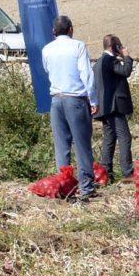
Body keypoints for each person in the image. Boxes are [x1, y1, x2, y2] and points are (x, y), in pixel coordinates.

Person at [42, 15, 98, 200]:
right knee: (82, 145)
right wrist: (94, 100)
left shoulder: (47, 49)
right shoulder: (78, 46)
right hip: (76, 99)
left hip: (56, 100)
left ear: (53, 32)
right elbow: (86, 74)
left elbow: (48, 70)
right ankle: (86, 186)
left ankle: (64, 186)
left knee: (61, 146)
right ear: (71, 30)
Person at [93, 33, 135, 180]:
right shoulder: (110, 60)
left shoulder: (98, 63)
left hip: (104, 107)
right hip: (114, 106)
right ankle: (127, 172)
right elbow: (126, 72)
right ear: (114, 47)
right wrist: (127, 57)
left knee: (109, 138)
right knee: (125, 137)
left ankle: (106, 173)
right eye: (119, 45)